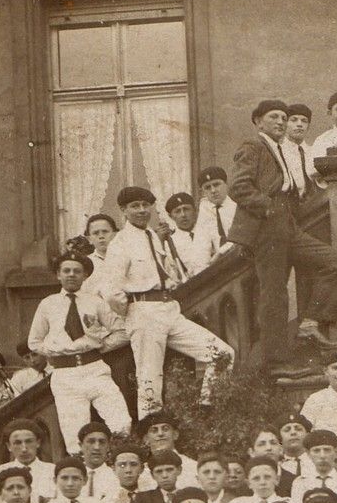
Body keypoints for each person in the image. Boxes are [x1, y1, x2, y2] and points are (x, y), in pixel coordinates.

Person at [228, 99, 337, 376]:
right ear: (258, 121)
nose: (281, 122)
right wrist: (268, 208)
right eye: (274, 117)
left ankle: (310, 323)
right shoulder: (253, 146)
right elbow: (238, 187)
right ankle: (276, 363)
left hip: (288, 224)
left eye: (283, 117)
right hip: (267, 226)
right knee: (275, 294)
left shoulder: (280, 148)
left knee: (334, 263)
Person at [102, 185, 235, 413]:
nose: (142, 210)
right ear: (123, 210)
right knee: (150, 379)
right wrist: (134, 312)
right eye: (135, 206)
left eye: (146, 205)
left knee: (221, 354)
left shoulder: (153, 236)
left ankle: (208, 410)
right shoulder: (120, 243)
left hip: (169, 309)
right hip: (143, 310)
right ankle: (152, 428)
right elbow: (111, 291)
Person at [196, 165, 236, 247]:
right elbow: (201, 245)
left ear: (226, 184)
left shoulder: (237, 207)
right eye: (207, 187)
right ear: (203, 192)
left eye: (216, 184)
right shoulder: (205, 211)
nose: (213, 190)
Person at [80, 213, 119, 295]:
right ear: (89, 239)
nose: (101, 236)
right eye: (95, 233)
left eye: (105, 232)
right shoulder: (85, 263)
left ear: (115, 235)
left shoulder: (125, 259)